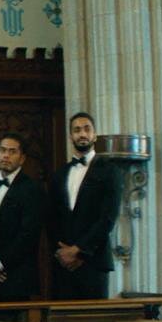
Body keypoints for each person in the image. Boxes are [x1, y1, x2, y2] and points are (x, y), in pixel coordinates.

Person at [49, 112, 121, 300]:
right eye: (77, 130)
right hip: (63, 265)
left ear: (94, 135)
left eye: (87, 129)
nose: (82, 134)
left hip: (94, 262)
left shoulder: (110, 171)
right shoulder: (59, 175)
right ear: (70, 136)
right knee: (62, 318)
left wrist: (78, 251)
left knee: (93, 317)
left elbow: (108, 218)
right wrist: (63, 253)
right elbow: (52, 218)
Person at [0, 133, 45, 301]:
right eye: (3, 150)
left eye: (12, 151)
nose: (6, 155)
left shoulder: (32, 190)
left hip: (17, 278)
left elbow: (28, 235)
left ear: (22, 158)